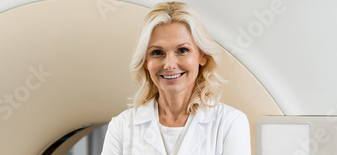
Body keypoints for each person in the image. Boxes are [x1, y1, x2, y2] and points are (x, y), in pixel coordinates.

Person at [101, 1, 251, 155]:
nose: (169, 64)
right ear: (145, 61)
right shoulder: (121, 127)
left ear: (202, 56)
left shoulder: (230, 123)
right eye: (157, 52)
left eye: (182, 50)